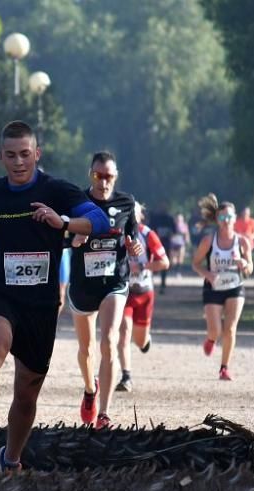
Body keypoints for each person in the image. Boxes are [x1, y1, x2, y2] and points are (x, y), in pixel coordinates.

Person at [0, 121, 109, 472]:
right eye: (11, 155)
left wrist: (62, 222)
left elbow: (100, 221)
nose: (18, 162)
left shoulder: (57, 190)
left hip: (41, 305)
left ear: (37, 154)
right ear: (1, 156)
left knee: (27, 392)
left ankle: (11, 457)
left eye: (25, 155)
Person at [66, 151, 142, 429]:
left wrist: (134, 246)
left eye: (108, 176)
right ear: (91, 175)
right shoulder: (78, 203)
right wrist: (75, 239)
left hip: (115, 281)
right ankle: (90, 390)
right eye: (98, 176)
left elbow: (131, 236)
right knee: (86, 350)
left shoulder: (126, 202)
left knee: (108, 341)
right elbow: (64, 239)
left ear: (115, 176)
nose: (103, 181)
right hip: (84, 286)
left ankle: (105, 413)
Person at [191, 193, 253, 381]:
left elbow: (250, 269)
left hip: (235, 286)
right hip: (213, 287)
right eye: (222, 217)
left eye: (229, 217)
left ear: (235, 219)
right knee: (215, 330)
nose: (226, 221)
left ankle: (224, 368)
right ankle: (211, 339)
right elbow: (195, 263)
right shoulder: (209, 241)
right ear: (217, 219)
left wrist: (244, 263)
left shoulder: (242, 241)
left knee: (231, 328)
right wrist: (208, 274)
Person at [116, 202, 169, 392]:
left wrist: (143, 267)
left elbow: (165, 262)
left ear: (140, 215)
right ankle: (126, 377)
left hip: (145, 292)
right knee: (123, 334)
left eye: (134, 212)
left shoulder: (148, 235)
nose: (130, 216)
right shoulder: (118, 234)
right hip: (124, 292)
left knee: (139, 341)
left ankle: (145, 341)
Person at [148, 204, 175, 293]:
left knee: (164, 263)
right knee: (151, 263)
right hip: (153, 244)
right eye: (160, 205)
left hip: (165, 244)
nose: (162, 207)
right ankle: (149, 282)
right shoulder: (154, 218)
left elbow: (174, 231)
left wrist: (168, 234)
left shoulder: (170, 219)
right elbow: (149, 230)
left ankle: (163, 284)